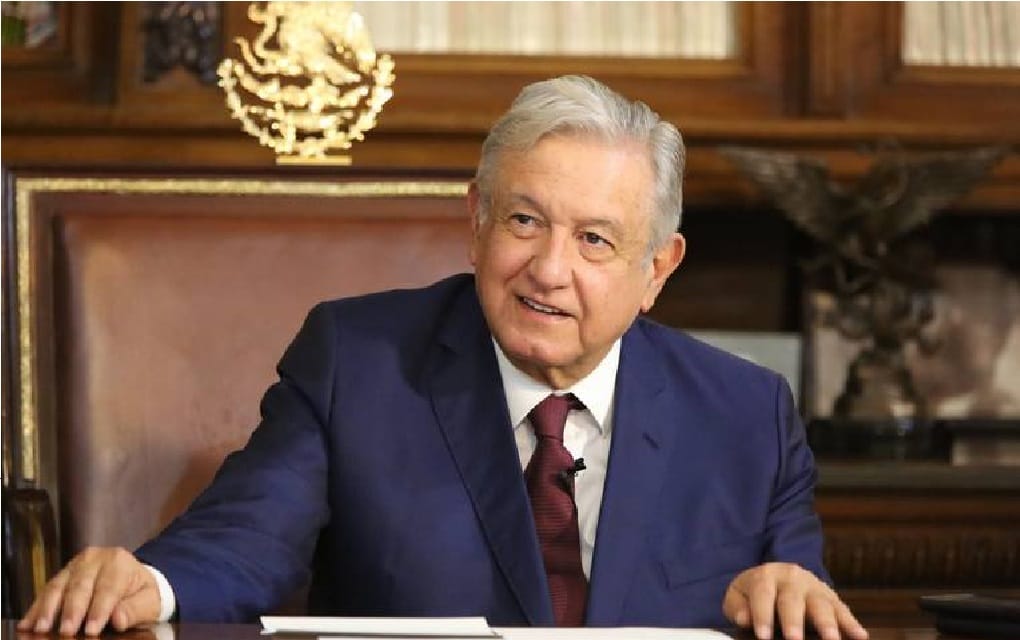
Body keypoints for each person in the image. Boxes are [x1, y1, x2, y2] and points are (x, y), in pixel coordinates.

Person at [20, 75, 867, 640]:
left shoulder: (748, 415)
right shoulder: (356, 364)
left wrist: (789, 595)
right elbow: (247, 539)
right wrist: (150, 583)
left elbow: (795, 594)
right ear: (476, 222)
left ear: (657, 270)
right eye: (524, 221)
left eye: (595, 240)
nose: (549, 269)